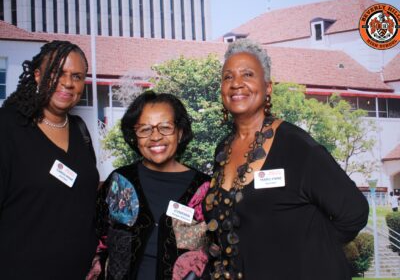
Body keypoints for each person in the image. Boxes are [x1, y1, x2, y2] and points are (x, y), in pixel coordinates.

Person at [203, 39, 369, 280]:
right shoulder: (223, 148)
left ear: (268, 86)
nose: (236, 83)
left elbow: (354, 211)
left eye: (247, 74)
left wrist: (307, 252)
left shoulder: (297, 146)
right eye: (228, 77)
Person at [0, 40, 99, 279]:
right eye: (57, 73)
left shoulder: (80, 131)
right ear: (37, 75)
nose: (67, 83)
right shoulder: (8, 126)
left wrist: (95, 255)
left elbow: (83, 204)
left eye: (77, 76)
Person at [94, 91, 211, 280]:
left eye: (165, 127)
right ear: (135, 135)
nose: (155, 136)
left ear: (180, 132)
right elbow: (98, 247)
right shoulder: (119, 182)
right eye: (145, 129)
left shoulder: (205, 189)